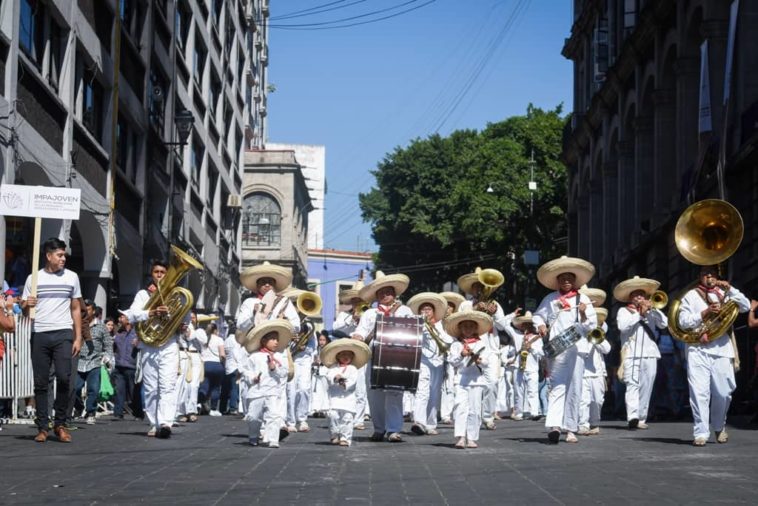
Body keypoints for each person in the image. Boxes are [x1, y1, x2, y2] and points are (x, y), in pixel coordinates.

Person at [677, 265, 750, 446]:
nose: (709, 276)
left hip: (722, 348)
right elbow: (682, 321)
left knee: (724, 392)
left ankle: (719, 426)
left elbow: (746, 306)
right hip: (697, 348)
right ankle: (701, 432)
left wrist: (730, 289)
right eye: (705, 273)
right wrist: (705, 313)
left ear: (717, 276)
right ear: (699, 276)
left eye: (712, 273)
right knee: (699, 392)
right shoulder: (691, 295)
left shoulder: (725, 294)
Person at [21, 237, 83, 443]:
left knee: (65, 378)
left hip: (63, 333)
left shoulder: (72, 278)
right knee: (40, 382)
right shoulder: (34, 279)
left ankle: (61, 424)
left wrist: (78, 337)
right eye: (59, 255)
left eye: (64, 255)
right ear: (48, 256)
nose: (63, 258)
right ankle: (42, 427)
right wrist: (27, 303)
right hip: (40, 333)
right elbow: (23, 307)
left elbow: (76, 308)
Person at [532, 256, 597, 444]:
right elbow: (538, 316)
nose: (566, 281)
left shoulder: (583, 298)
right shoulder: (550, 299)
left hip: (576, 347)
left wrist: (584, 313)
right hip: (557, 347)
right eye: (562, 278)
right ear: (557, 281)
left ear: (574, 280)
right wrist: (541, 325)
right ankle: (554, 426)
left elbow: (591, 325)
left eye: (569, 278)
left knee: (575, 387)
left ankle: (570, 428)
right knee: (557, 385)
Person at [124, 259, 187, 438]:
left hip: (169, 344)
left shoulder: (177, 294)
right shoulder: (143, 295)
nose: (159, 275)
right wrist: (151, 312)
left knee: (168, 385)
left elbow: (186, 319)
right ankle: (154, 423)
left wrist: (183, 326)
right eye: (156, 272)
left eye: (163, 272)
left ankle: (166, 422)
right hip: (149, 346)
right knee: (151, 388)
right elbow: (131, 314)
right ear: (151, 275)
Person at [352, 271, 414, 442]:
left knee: (395, 393)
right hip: (374, 356)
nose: (385, 295)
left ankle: (394, 430)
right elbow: (361, 331)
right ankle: (379, 428)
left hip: (398, 355)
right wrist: (357, 336)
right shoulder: (370, 313)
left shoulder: (405, 310)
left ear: (394, 293)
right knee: (375, 394)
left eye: (388, 292)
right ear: (376, 295)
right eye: (381, 292)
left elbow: (413, 331)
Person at [614, 276, 669, 430]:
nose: (639, 297)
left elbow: (664, 324)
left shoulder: (652, 311)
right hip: (631, 353)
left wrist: (654, 310)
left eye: (642, 294)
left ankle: (641, 418)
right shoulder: (623, 311)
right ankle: (632, 416)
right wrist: (639, 314)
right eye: (635, 294)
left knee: (647, 386)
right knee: (632, 384)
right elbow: (622, 327)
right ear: (630, 297)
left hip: (650, 353)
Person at [457, 268, 508, 430]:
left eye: (482, 285)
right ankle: (472, 415)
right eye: (476, 286)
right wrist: (474, 309)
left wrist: (494, 314)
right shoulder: (465, 304)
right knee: (469, 383)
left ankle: (487, 416)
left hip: (490, 349)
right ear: (471, 289)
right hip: (470, 347)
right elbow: (459, 323)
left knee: (492, 383)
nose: (479, 288)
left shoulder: (495, 304)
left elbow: (502, 325)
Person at [446, 310, 496, 449]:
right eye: (465, 326)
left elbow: (488, 361)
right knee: (460, 408)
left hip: (476, 381)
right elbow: (452, 361)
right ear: (460, 329)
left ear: (475, 329)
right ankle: (461, 437)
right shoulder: (456, 344)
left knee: (474, 410)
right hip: (461, 380)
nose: (468, 329)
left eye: (470, 326)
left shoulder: (481, 343)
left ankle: (472, 437)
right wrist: (462, 355)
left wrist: (479, 360)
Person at [239, 320, 292, 448]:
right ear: (263, 341)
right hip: (257, 392)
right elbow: (245, 371)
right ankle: (253, 436)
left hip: (273, 391)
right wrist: (253, 378)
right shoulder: (254, 357)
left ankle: (273, 439)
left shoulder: (279, 357)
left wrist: (274, 368)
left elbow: (284, 372)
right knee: (253, 417)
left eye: (277, 339)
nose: (276, 342)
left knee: (274, 415)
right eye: (272, 339)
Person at [407, 292, 452, 436]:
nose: (425, 311)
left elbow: (448, 341)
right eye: (423, 309)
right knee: (422, 391)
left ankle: (431, 423)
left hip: (438, 363)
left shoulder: (441, 325)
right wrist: (423, 327)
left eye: (428, 309)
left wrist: (434, 329)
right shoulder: (416, 323)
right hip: (422, 361)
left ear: (433, 312)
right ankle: (419, 422)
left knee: (434, 393)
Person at [333, 279, 370, 430]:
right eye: (355, 300)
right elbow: (335, 328)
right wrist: (351, 321)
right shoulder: (343, 315)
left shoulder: (369, 314)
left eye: (360, 300)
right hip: (346, 355)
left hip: (361, 354)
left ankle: (359, 419)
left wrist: (362, 320)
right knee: (345, 386)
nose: (357, 303)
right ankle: (343, 415)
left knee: (361, 388)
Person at [321, 339, 370, 447]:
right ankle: (334, 434)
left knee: (347, 419)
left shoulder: (353, 369)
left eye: (348, 354)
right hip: (334, 399)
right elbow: (329, 377)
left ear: (352, 357)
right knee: (333, 416)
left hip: (348, 400)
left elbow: (352, 381)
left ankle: (345, 438)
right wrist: (335, 378)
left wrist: (343, 382)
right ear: (338, 356)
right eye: (343, 354)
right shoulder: (333, 368)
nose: (345, 356)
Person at [283, 288, 318, 433]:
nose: (303, 310)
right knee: (290, 390)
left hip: (303, 360)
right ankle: (290, 420)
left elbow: (314, 346)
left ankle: (302, 419)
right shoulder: (287, 322)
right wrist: (290, 338)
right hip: (290, 358)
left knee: (303, 389)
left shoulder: (309, 325)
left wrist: (305, 347)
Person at [74, 299, 114, 424]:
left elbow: (108, 345)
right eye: (82, 309)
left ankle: (90, 411)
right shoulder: (76, 325)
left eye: (87, 309)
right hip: (79, 361)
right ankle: (78, 407)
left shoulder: (101, 327)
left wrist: (107, 357)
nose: (84, 311)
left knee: (93, 389)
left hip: (95, 362)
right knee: (75, 388)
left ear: (94, 311)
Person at [503, 311, 544, 421]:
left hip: (532, 367)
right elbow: (503, 323)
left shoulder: (537, 337)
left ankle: (534, 412)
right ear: (521, 326)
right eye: (524, 324)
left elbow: (541, 353)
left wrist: (531, 348)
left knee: (533, 391)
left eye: (529, 324)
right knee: (518, 391)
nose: (527, 327)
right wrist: (512, 315)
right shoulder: (517, 335)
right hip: (519, 366)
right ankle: (519, 412)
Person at [578, 307, 610, 435]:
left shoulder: (599, 335)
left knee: (597, 400)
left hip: (597, 372)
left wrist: (595, 339)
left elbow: (607, 349)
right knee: (583, 400)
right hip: (582, 372)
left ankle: (594, 422)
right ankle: (583, 424)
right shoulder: (579, 335)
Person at [439, 291, 465, 424]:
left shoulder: (456, 322)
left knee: (449, 386)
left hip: (453, 354)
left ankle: (446, 414)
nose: (448, 309)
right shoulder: (437, 321)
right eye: (445, 306)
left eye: (450, 307)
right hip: (438, 355)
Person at [112, 313, 139, 419]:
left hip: (131, 365)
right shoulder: (118, 332)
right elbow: (114, 347)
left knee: (133, 391)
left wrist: (139, 343)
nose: (119, 319)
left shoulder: (137, 332)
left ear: (128, 320)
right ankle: (118, 413)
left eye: (122, 317)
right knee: (119, 390)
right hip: (119, 365)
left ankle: (138, 413)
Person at [199, 322, 226, 416]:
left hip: (205, 364)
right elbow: (222, 355)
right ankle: (214, 409)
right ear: (215, 330)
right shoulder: (219, 339)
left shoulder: (203, 339)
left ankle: (201, 402)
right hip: (217, 365)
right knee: (216, 387)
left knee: (204, 386)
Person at [221, 322, 242, 415]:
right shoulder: (236, 341)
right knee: (234, 388)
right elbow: (237, 354)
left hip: (227, 367)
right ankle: (233, 407)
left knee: (225, 389)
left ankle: (222, 407)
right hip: (235, 366)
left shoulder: (226, 340)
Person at [310, 331, 330, 417]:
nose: (321, 342)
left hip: (325, 372)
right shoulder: (316, 350)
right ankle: (316, 409)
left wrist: (322, 361)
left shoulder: (329, 350)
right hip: (316, 372)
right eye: (320, 340)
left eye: (323, 340)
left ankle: (325, 409)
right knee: (316, 391)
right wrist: (314, 362)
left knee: (325, 391)